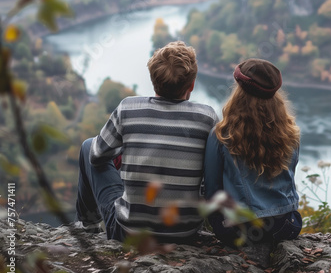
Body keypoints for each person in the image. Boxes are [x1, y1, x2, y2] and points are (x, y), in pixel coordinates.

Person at [75, 41, 218, 242]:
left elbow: (97, 155)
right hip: (185, 234)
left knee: (88, 146)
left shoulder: (128, 108)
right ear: (192, 85)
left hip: (128, 233)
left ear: (153, 80)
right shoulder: (207, 117)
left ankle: (87, 225)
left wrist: (128, 151)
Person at [203, 58, 302, 247]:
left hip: (238, 230)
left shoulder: (221, 135)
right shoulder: (291, 133)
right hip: (286, 226)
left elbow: (212, 191)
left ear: (238, 90)